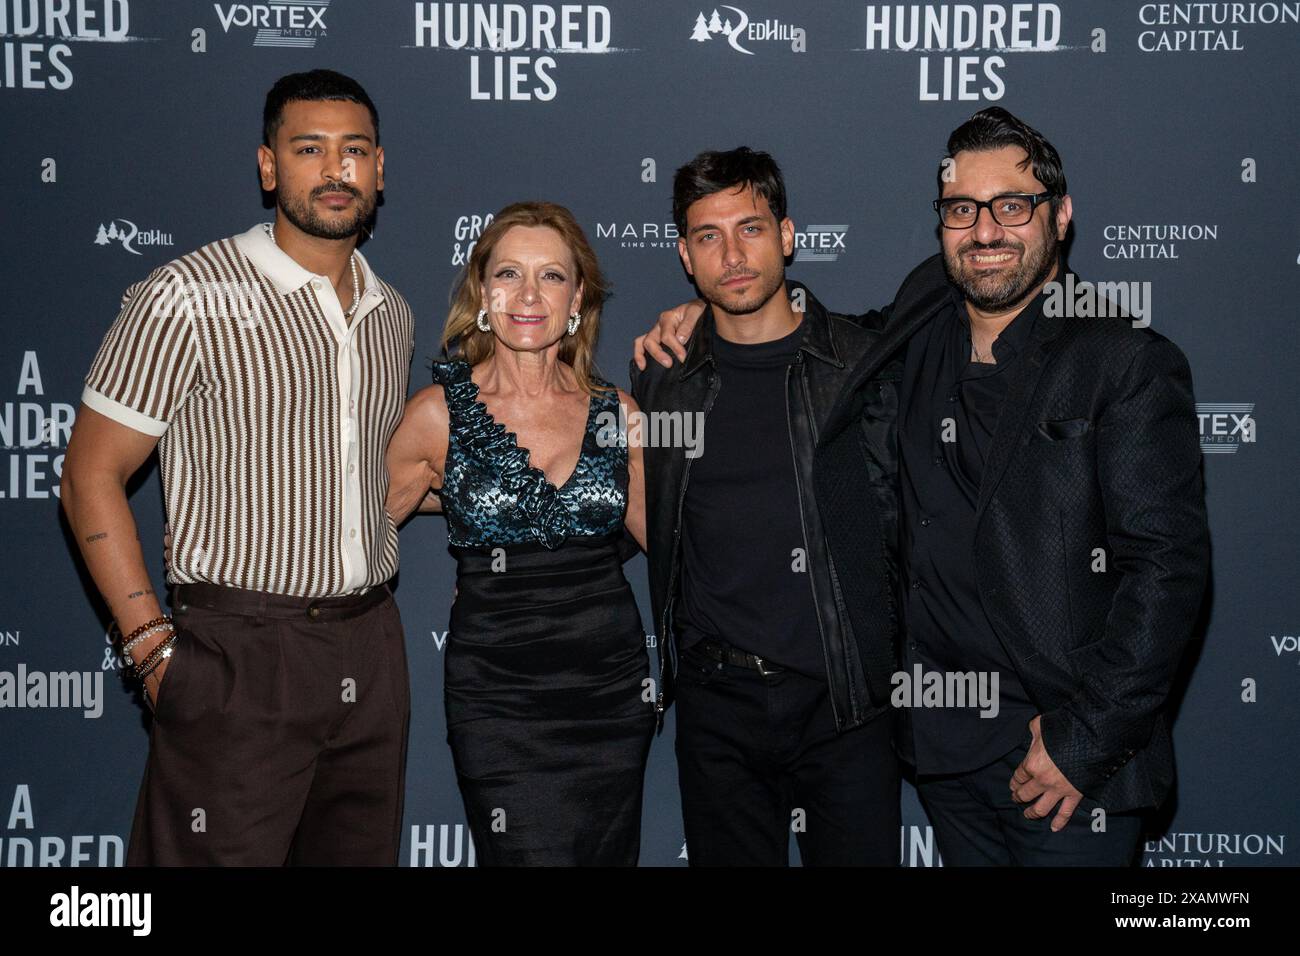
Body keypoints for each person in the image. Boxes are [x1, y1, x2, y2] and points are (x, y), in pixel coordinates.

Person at [636, 107, 1210, 866]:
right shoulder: (920, 320)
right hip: (945, 752)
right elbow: (805, 333)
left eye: (1013, 205)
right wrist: (703, 318)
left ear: (1060, 216)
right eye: (961, 210)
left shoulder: (1123, 359)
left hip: (1067, 761)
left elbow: (1168, 570)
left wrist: (1085, 737)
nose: (985, 231)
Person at [61, 69, 414, 866]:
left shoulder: (390, 311)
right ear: (268, 167)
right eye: (309, 149)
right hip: (241, 650)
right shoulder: (187, 294)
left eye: (354, 150)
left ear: (380, 170)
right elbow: (89, 474)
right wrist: (151, 647)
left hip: (372, 649)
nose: (335, 170)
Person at [628, 148, 900, 866]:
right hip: (718, 706)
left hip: (845, 704)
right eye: (709, 237)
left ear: (787, 235)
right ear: (686, 256)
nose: (733, 254)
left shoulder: (862, 365)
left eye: (750, 228)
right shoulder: (664, 377)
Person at [386, 201, 655, 866]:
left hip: (610, 693)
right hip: (498, 698)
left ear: (578, 297)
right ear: (483, 291)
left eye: (552, 277)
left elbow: (678, 543)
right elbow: (346, 539)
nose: (529, 295)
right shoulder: (436, 417)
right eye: (509, 273)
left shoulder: (617, 416)